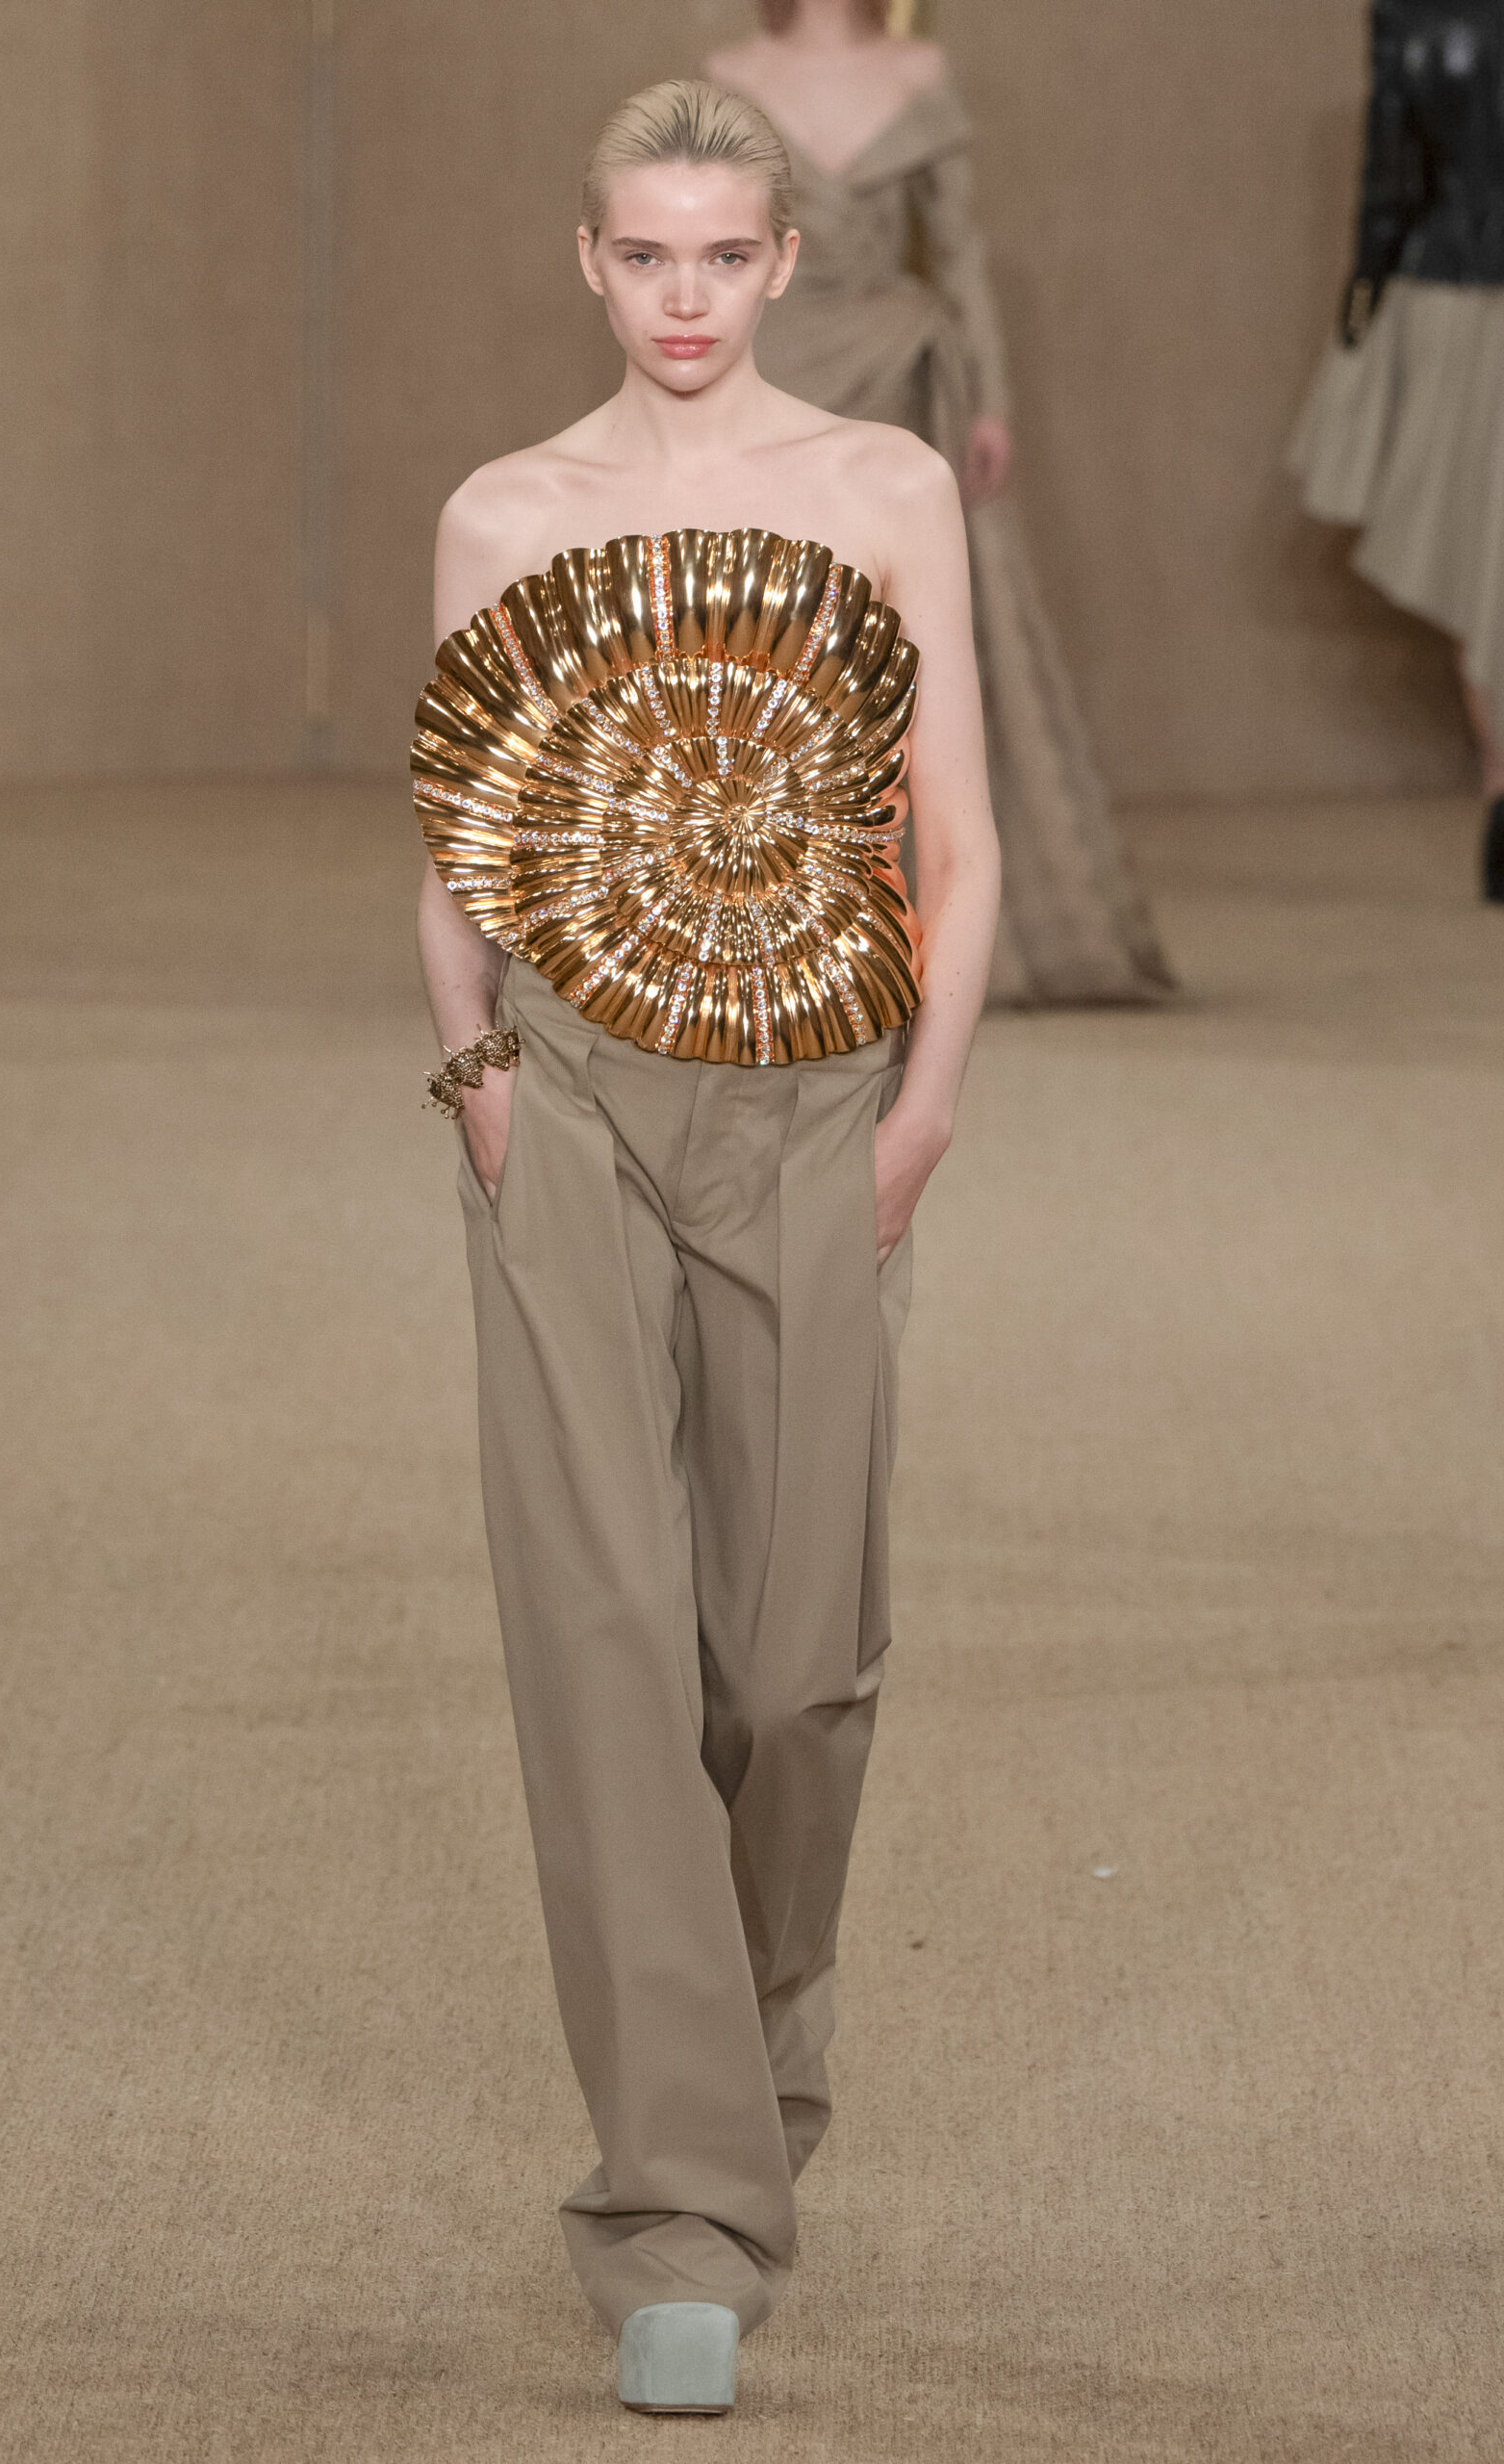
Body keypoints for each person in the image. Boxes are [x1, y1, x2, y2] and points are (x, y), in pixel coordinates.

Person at [413, 79, 999, 2416]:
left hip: (821, 1099)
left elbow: (953, 831)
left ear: (782, 262)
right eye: (641, 254)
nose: (681, 296)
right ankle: (678, 2208)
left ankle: (747, 2100)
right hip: (560, 1093)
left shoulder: (883, 486)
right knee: (597, 1633)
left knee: (788, 1663)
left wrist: (926, 1105)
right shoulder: (503, 511)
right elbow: (459, 839)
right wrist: (476, 1078)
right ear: (589, 259)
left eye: (721, 255)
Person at [706, 0, 1175, 1002]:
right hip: (767, 375)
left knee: (908, 643)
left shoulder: (919, 73)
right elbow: (700, 247)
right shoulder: (727, 76)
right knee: (762, 636)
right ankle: (748, 913)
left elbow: (958, 250)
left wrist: (990, 400)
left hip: (897, 374)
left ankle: (920, 921)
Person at [1289, 0, 1504, 901]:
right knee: (1479, 550)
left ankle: (1500, 785)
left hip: (1445, 297)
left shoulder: (1412, 16)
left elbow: (1391, 178)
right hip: (1449, 296)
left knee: (1471, 547)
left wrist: (1362, 295)